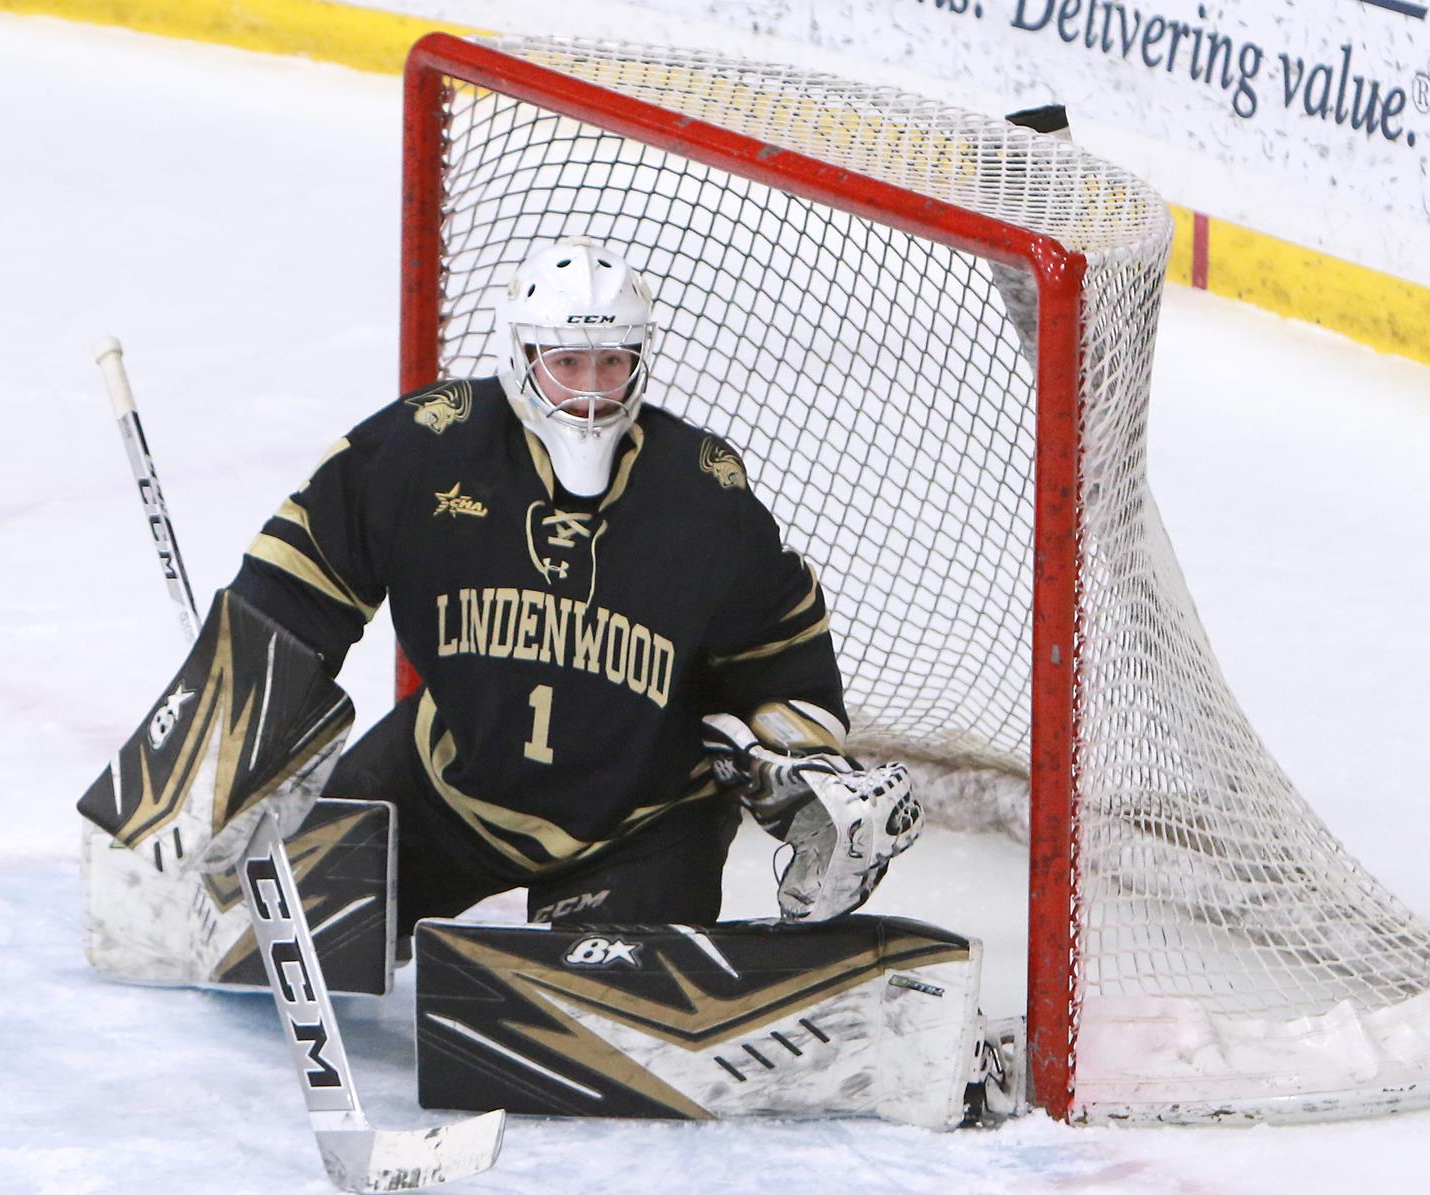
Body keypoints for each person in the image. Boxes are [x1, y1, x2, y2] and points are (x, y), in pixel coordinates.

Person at [82, 236, 921, 966]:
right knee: (253, 934)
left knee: (582, 1024)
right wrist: (222, 750)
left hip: (637, 821)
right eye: (568, 363)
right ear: (522, 359)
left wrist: (802, 776)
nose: (591, 391)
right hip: (449, 781)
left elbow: (785, 663)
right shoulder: (427, 448)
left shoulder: (701, 495)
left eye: (612, 362)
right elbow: (295, 590)